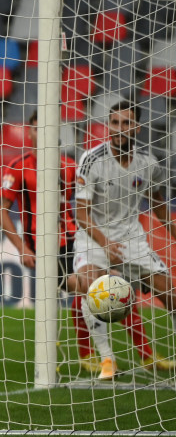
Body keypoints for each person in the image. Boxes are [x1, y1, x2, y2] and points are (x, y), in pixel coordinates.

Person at [0, 111, 158, 374]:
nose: (43, 133)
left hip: (76, 239)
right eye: (38, 128)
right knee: (98, 288)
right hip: (43, 247)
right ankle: (94, 355)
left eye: (49, 128)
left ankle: (131, 355)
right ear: (30, 132)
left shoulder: (71, 166)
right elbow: (1, 212)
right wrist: (21, 248)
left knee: (108, 287)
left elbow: (88, 202)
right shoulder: (17, 168)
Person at [74, 100, 176, 380]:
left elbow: (160, 208)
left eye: (127, 123)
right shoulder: (91, 160)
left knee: (171, 293)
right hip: (94, 236)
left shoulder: (149, 164)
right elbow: (80, 213)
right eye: (115, 123)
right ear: (108, 126)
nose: (120, 129)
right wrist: (105, 243)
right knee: (89, 284)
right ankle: (107, 359)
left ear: (137, 127)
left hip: (131, 238)